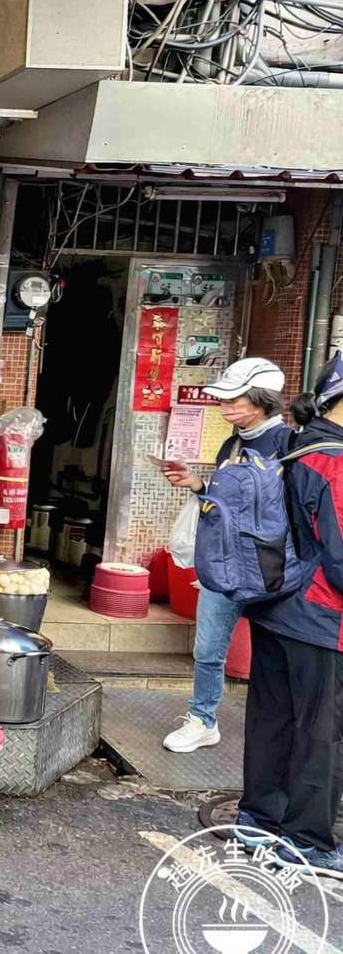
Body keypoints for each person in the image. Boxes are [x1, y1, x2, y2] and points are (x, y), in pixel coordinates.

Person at [237, 354, 343, 878]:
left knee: (272, 720)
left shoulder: (296, 445)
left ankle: (257, 820)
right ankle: (308, 843)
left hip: (275, 605)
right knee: (321, 733)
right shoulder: (336, 461)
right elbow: (342, 560)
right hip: (323, 617)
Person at [160, 357, 291, 754]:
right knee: (207, 649)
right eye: (226, 399)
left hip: (273, 570)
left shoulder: (290, 445)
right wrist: (198, 484)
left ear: (264, 401)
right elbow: (226, 504)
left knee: (276, 657)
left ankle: (282, 733)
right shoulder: (231, 443)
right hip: (224, 566)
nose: (226, 407)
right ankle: (203, 719)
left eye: (237, 400)